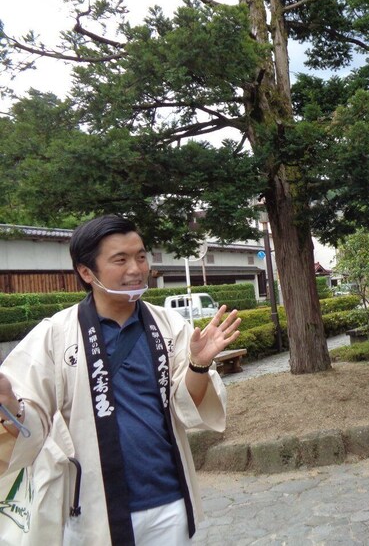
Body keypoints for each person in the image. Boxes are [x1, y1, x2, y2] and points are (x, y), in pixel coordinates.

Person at [0, 215, 240, 545]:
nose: (136, 269)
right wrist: (10, 406)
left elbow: (187, 407)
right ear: (86, 271)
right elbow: (30, 421)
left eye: (141, 256)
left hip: (168, 500)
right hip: (90, 509)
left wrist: (198, 366)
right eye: (120, 259)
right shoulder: (55, 335)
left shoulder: (169, 325)